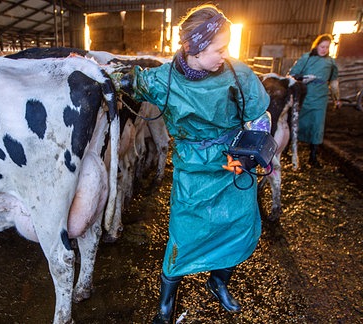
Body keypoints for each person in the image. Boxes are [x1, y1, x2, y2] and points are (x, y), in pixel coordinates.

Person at [115, 4, 272, 323]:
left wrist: (254, 145)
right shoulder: (164, 79)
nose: (224, 55)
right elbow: (128, 80)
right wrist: (91, 68)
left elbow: (259, 115)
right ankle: (165, 306)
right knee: (185, 234)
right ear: (192, 47)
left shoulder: (238, 73)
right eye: (219, 49)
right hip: (192, 167)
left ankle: (218, 281)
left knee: (238, 223)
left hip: (232, 160)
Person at [288, 34, 340, 168]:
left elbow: (334, 82)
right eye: (322, 46)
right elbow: (292, 74)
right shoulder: (306, 58)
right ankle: (290, 151)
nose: (324, 50)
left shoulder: (331, 62)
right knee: (297, 122)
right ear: (316, 45)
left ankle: (313, 156)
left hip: (321, 97)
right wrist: (304, 77)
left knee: (317, 124)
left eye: (327, 47)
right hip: (304, 95)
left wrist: (337, 98)